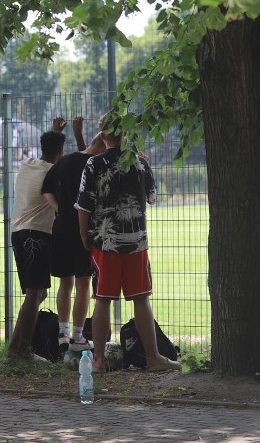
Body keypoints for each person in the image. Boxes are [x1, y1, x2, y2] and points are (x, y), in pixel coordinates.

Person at [76, 117, 182, 372]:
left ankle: (99, 360)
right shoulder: (139, 162)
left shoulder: (94, 163)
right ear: (125, 133)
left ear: (102, 136)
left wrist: (84, 234)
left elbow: (84, 204)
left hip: (105, 241)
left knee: (102, 299)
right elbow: (152, 196)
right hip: (136, 241)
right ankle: (153, 356)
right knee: (141, 298)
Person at [5, 119, 67, 363]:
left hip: (18, 233)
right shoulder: (52, 173)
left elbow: (50, 151)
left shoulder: (27, 165)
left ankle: (17, 347)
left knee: (37, 293)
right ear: (60, 153)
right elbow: (69, 164)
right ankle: (20, 351)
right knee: (34, 293)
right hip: (37, 236)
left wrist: (55, 133)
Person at [40, 117, 102, 352]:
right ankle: (78, 336)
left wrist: (60, 210)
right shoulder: (97, 164)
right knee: (83, 282)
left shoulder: (65, 161)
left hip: (62, 226)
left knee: (64, 282)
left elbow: (46, 190)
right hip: (83, 229)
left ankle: (62, 333)